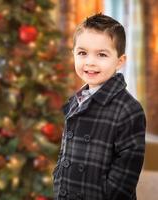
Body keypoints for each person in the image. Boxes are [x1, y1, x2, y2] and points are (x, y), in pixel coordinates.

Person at [53, 13, 146, 200]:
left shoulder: (129, 110)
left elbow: (125, 175)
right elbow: (66, 153)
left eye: (102, 54)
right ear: (73, 54)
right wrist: (58, 178)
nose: (90, 62)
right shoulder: (74, 101)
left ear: (119, 61)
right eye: (82, 53)